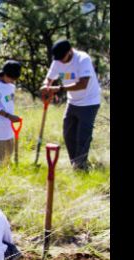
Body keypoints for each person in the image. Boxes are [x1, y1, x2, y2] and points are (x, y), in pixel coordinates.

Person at [41, 39, 102, 171]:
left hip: (89, 102)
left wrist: (59, 89)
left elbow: (83, 83)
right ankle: (75, 163)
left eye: (62, 58)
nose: (60, 61)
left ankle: (80, 167)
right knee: (68, 134)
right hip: (72, 102)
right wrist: (46, 86)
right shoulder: (58, 60)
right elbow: (49, 77)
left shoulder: (82, 59)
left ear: (69, 52)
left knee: (83, 136)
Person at [0, 60, 22, 167]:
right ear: (5, 74)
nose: (13, 81)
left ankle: (6, 171)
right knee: (0, 152)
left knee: (9, 150)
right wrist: (9, 116)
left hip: (8, 125)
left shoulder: (10, 85)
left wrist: (11, 117)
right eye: (11, 78)